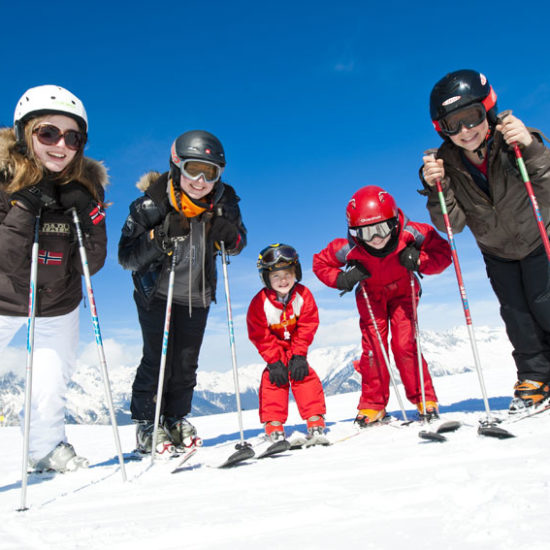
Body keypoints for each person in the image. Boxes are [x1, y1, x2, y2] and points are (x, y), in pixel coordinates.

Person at [421, 69, 550, 413]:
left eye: (472, 117)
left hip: (539, 240)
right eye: (453, 123)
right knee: (517, 315)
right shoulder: (446, 164)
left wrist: (531, 148)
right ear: (441, 129)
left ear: (487, 110)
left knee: (546, 304)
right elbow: (454, 225)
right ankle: (535, 377)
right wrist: (438, 188)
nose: (465, 131)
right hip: (497, 252)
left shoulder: (516, 141)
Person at [0, 85, 108, 471]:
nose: (60, 145)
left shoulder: (85, 189)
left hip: (58, 304)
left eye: (72, 136)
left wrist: (87, 211)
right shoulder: (4, 181)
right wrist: (25, 204)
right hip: (4, 298)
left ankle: (45, 449)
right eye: (48, 132)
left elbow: (90, 264)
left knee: (50, 385)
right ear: (24, 132)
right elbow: (7, 261)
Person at [119, 130, 246, 454]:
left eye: (211, 172)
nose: (201, 181)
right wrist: (159, 236)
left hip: (197, 293)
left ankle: (175, 418)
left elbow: (238, 241)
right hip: (157, 292)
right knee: (157, 358)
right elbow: (126, 256)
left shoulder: (225, 200)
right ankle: (148, 424)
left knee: (186, 361)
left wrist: (229, 235)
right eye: (194, 169)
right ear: (177, 167)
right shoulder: (151, 203)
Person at [313, 186, 451, 426]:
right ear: (355, 232)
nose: (376, 238)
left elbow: (443, 253)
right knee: (373, 348)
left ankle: (424, 399)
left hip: (403, 292)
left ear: (393, 221)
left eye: (381, 228)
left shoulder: (412, 233)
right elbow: (320, 263)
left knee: (404, 344)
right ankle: (373, 405)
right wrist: (343, 279)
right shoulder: (349, 248)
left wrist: (419, 260)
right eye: (366, 232)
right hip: (370, 295)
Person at [246, 244, 326, 441]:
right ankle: (273, 421)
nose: (283, 280)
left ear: (295, 273)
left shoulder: (303, 295)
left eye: (288, 274)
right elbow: (259, 334)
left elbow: (308, 324)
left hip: (295, 346)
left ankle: (314, 417)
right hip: (275, 348)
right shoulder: (260, 303)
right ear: (266, 278)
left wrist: (299, 354)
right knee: (274, 379)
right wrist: (273, 361)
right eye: (276, 276)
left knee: (303, 374)